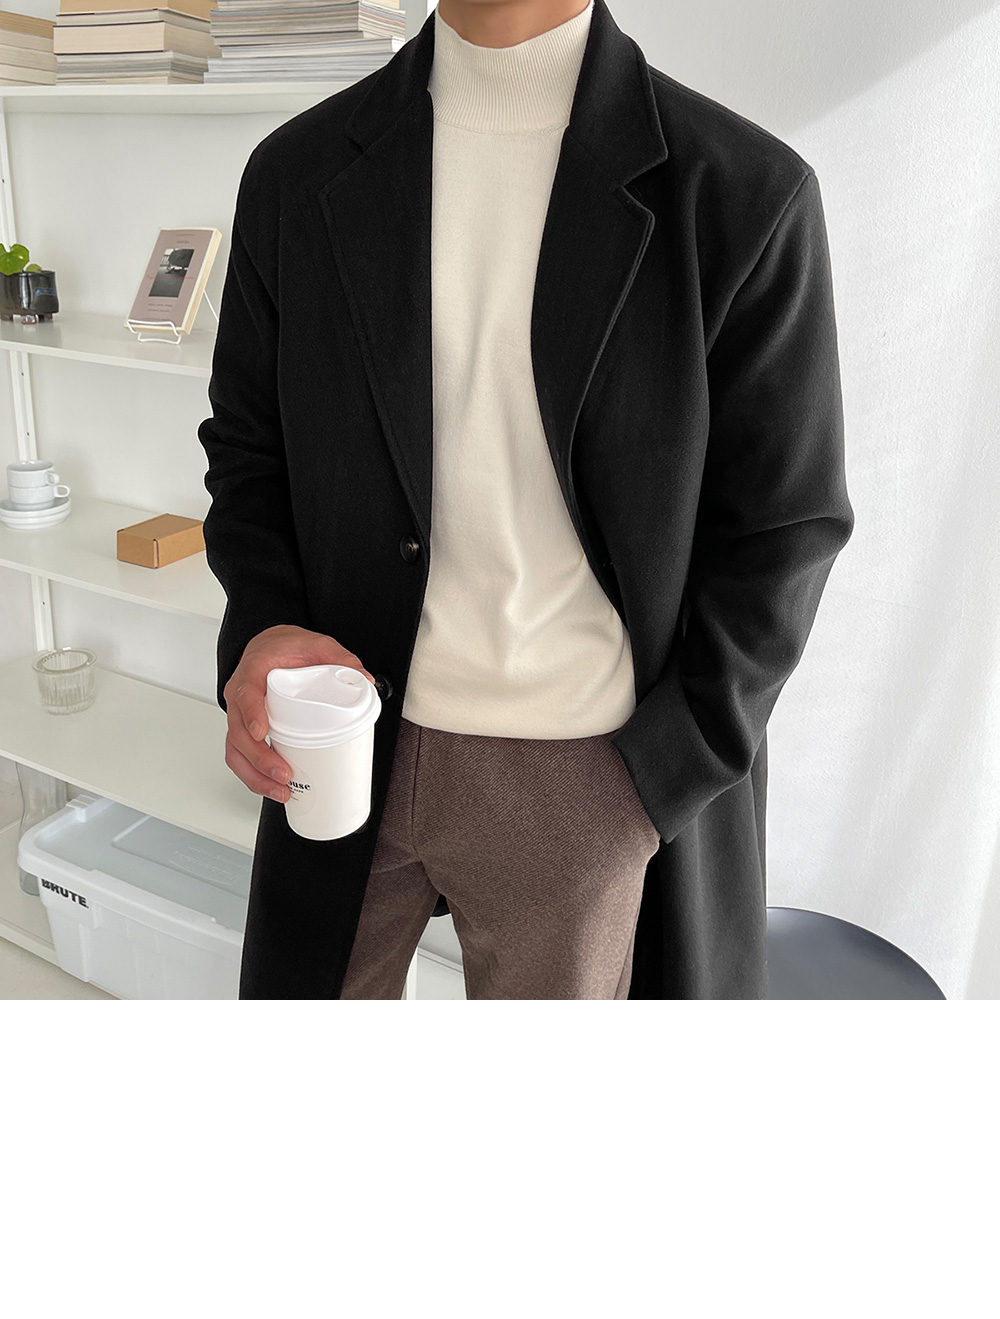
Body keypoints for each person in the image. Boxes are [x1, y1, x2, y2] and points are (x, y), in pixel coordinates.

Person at [198, 0, 855, 999]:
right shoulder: (296, 173)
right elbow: (249, 449)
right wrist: (264, 624)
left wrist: (655, 777)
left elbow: (786, 527)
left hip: (583, 772)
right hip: (343, 732)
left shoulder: (740, 192)